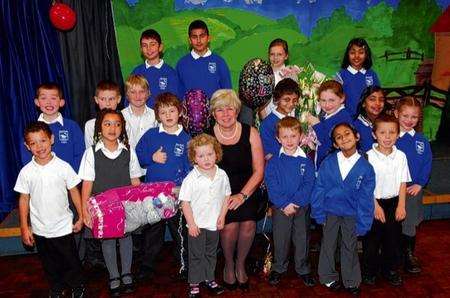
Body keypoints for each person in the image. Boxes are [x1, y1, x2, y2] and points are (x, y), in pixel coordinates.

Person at [14, 122, 85, 298]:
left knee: (70, 260)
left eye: (43, 140)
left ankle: (77, 286)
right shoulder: (26, 172)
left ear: (52, 139)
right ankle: (56, 287)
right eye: (33, 143)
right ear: (27, 146)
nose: (39, 146)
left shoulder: (63, 167)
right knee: (49, 263)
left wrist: (82, 216)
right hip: (40, 229)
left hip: (63, 227)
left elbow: (74, 192)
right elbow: (23, 199)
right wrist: (24, 226)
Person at [78, 109, 142, 296]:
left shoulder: (129, 151)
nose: (112, 128)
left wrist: (142, 204)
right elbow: (87, 183)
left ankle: (127, 273)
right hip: (102, 208)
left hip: (125, 206)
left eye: (117, 124)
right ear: (99, 127)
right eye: (107, 124)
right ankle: (114, 275)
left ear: (122, 128)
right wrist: (84, 210)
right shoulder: (91, 153)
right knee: (107, 241)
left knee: (125, 238)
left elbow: (135, 180)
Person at [207, 89, 264, 291]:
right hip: (218, 191)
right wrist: (225, 197)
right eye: (220, 110)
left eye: (230, 108)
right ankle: (229, 265)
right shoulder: (207, 136)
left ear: (237, 111)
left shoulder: (251, 133)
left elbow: (259, 171)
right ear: (213, 114)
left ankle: (241, 264)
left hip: (247, 187)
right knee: (230, 226)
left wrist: (242, 195)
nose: (225, 114)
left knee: (248, 222)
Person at [311, 122, 375, 295]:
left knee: (350, 245)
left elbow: (366, 198)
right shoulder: (328, 162)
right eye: (339, 137)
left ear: (357, 136)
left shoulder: (366, 168)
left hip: (352, 214)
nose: (344, 138)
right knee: (328, 244)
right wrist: (318, 212)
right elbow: (319, 188)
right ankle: (327, 276)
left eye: (347, 134)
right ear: (335, 144)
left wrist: (364, 223)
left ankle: (351, 280)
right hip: (329, 212)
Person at [135, 92, 191, 281]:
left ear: (180, 112)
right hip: (153, 194)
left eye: (172, 111)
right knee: (152, 232)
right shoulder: (151, 135)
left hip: (176, 194)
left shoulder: (186, 138)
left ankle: (184, 264)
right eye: (163, 112)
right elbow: (138, 156)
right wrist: (151, 158)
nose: (168, 115)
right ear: (157, 115)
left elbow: (191, 166)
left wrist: (183, 189)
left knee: (180, 232)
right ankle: (147, 265)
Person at [265, 117, 316, 287]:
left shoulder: (306, 162)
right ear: (278, 139)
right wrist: (283, 204)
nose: (289, 141)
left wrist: (296, 203)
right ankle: (279, 268)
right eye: (284, 137)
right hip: (281, 208)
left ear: (301, 137)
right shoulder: (273, 163)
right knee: (281, 238)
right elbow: (272, 185)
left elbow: (309, 184)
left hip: (301, 207)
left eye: (293, 136)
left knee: (302, 238)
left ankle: (303, 268)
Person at [179, 133, 231, 297]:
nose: (206, 159)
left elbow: (226, 196)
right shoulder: (191, 178)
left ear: (216, 154)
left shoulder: (222, 175)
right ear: (194, 159)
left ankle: (209, 278)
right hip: (197, 225)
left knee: (211, 253)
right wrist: (192, 224)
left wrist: (222, 216)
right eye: (201, 156)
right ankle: (194, 282)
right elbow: (185, 202)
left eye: (210, 154)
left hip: (214, 223)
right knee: (196, 255)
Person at [363, 114, 410, 287]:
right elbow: (366, 186)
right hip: (373, 202)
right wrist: (375, 206)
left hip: (394, 203)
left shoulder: (401, 156)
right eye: (383, 132)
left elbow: (402, 182)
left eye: (392, 132)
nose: (388, 137)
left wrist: (401, 206)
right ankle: (369, 271)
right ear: (374, 134)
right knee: (372, 240)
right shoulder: (368, 157)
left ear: (398, 134)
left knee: (393, 238)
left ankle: (390, 269)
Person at [394, 96, 432, 274]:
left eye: (414, 117)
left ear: (419, 119)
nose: (409, 121)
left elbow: (427, 163)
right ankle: (392, 253)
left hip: (412, 189)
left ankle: (409, 254)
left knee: (409, 222)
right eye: (405, 116)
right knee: (392, 222)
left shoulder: (421, 140)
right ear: (396, 114)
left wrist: (420, 183)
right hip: (392, 189)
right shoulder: (390, 137)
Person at [20, 82, 85, 172]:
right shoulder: (31, 130)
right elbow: (26, 158)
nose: (49, 102)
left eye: (53, 98)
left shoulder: (72, 127)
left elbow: (80, 155)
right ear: (37, 102)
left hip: (68, 182)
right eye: (43, 98)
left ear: (61, 102)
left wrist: (68, 177)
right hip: (41, 181)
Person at [176, 19, 232, 99]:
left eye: (202, 36)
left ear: (209, 38)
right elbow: (178, 95)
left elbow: (227, 93)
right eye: (194, 37)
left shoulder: (219, 62)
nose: (198, 41)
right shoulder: (181, 64)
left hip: (215, 111)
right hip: (189, 111)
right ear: (189, 40)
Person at [307, 80, 353, 168]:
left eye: (331, 100)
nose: (327, 105)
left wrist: (317, 125)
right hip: (324, 165)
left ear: (342, 99)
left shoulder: (343, 117)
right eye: (323, 100)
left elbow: (330, 143)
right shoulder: (329, 114)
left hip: (333, 168)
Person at [132, 29, 179, 108]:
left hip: (163, 118)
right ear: (141, 49)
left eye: (152, 44)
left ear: (160, 47)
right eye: (144, 45)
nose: (148, 48)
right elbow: (128, 99)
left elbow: (175, 101)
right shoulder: (136, 72)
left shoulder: (170, 73)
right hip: (141, 118)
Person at [336, 38, 380, 118]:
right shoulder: (340, 75)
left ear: (366, 55)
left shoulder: (372, 74)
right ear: (347, 55)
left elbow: (378, 97)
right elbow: (335, 99)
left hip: (368, 119)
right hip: (346, 120)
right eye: (352, 53)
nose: (356, 56)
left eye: (361, 52)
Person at [260, 78, 300, 160]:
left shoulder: (296, 118)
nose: (291, 104)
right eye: (286, 100)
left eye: (295, 100)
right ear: (276, 99)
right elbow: (268, 154)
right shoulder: (267, 124)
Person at [121, 74, 157, 150]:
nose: (137, 96)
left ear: (148, 94)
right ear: (127, 95)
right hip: (128, 159)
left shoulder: (155, 116)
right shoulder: (121, 116)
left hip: (150, 159)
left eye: (142, 91)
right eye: (133, 92)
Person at [84, 80, 122, 148]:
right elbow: (89, 151)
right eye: (103, 99)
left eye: (111, 99)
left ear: (118, 99)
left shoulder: (125, 124)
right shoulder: (90, 125)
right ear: (96, 100)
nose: (107, 104)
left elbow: (128, 150)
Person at [353, 86, 386, 152]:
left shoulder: (387, 123)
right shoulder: (355, 126)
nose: (377, 103)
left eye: (381, 100)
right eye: (372, 99)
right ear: (363, 103)